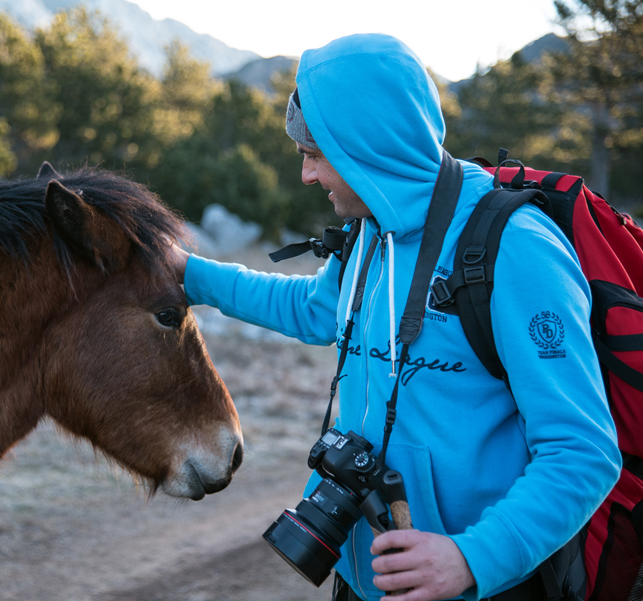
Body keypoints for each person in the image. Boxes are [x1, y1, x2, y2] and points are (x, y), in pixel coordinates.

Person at [169, 34, 621, 601]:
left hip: (478, 583)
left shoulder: (516, 249)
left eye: (316, 155)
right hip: (364, 576)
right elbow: (315, 311)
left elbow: (583, 450)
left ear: (368, 149)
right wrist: (188, 274)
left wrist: (473, 558)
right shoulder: (369, 229)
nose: (307, 176)